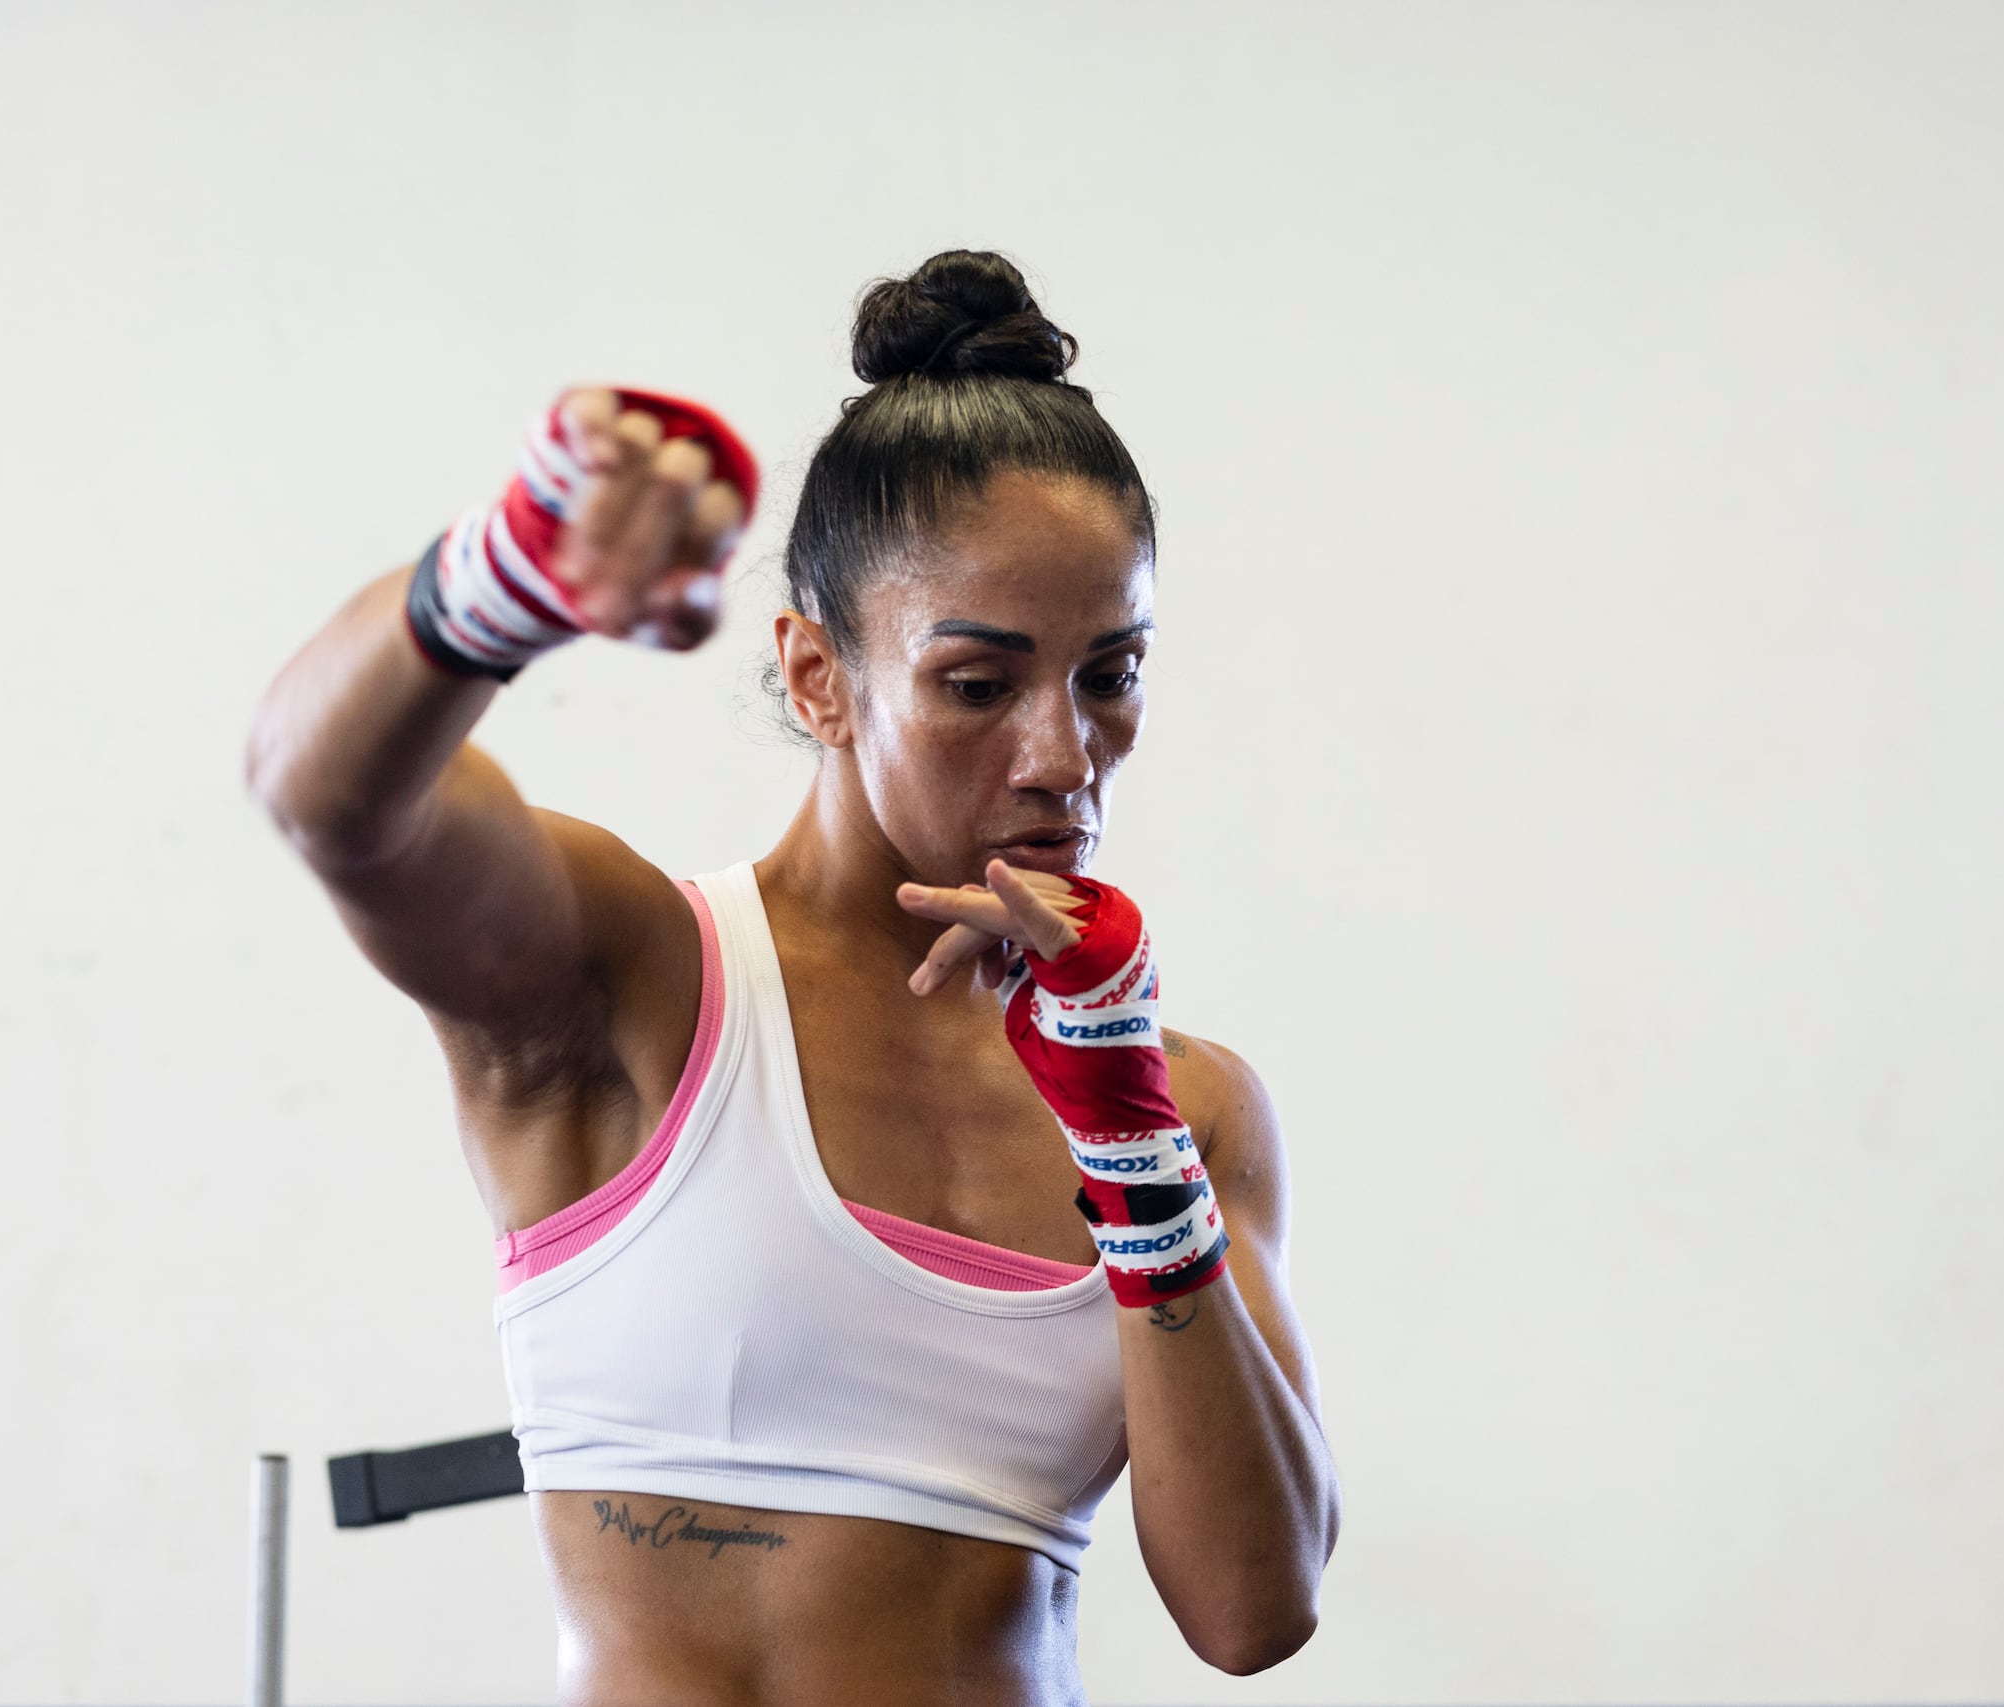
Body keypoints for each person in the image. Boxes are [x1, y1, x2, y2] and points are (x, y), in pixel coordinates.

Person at [245, 249, 1339, 1705]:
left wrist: (1129, 1132)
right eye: (977, 682)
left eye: (1110, 672)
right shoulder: (635, 983)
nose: (1064, 753)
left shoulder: (1179, 1103)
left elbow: (1251, 1614)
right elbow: (325, 797)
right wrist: (502, 580)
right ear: (820, 677)